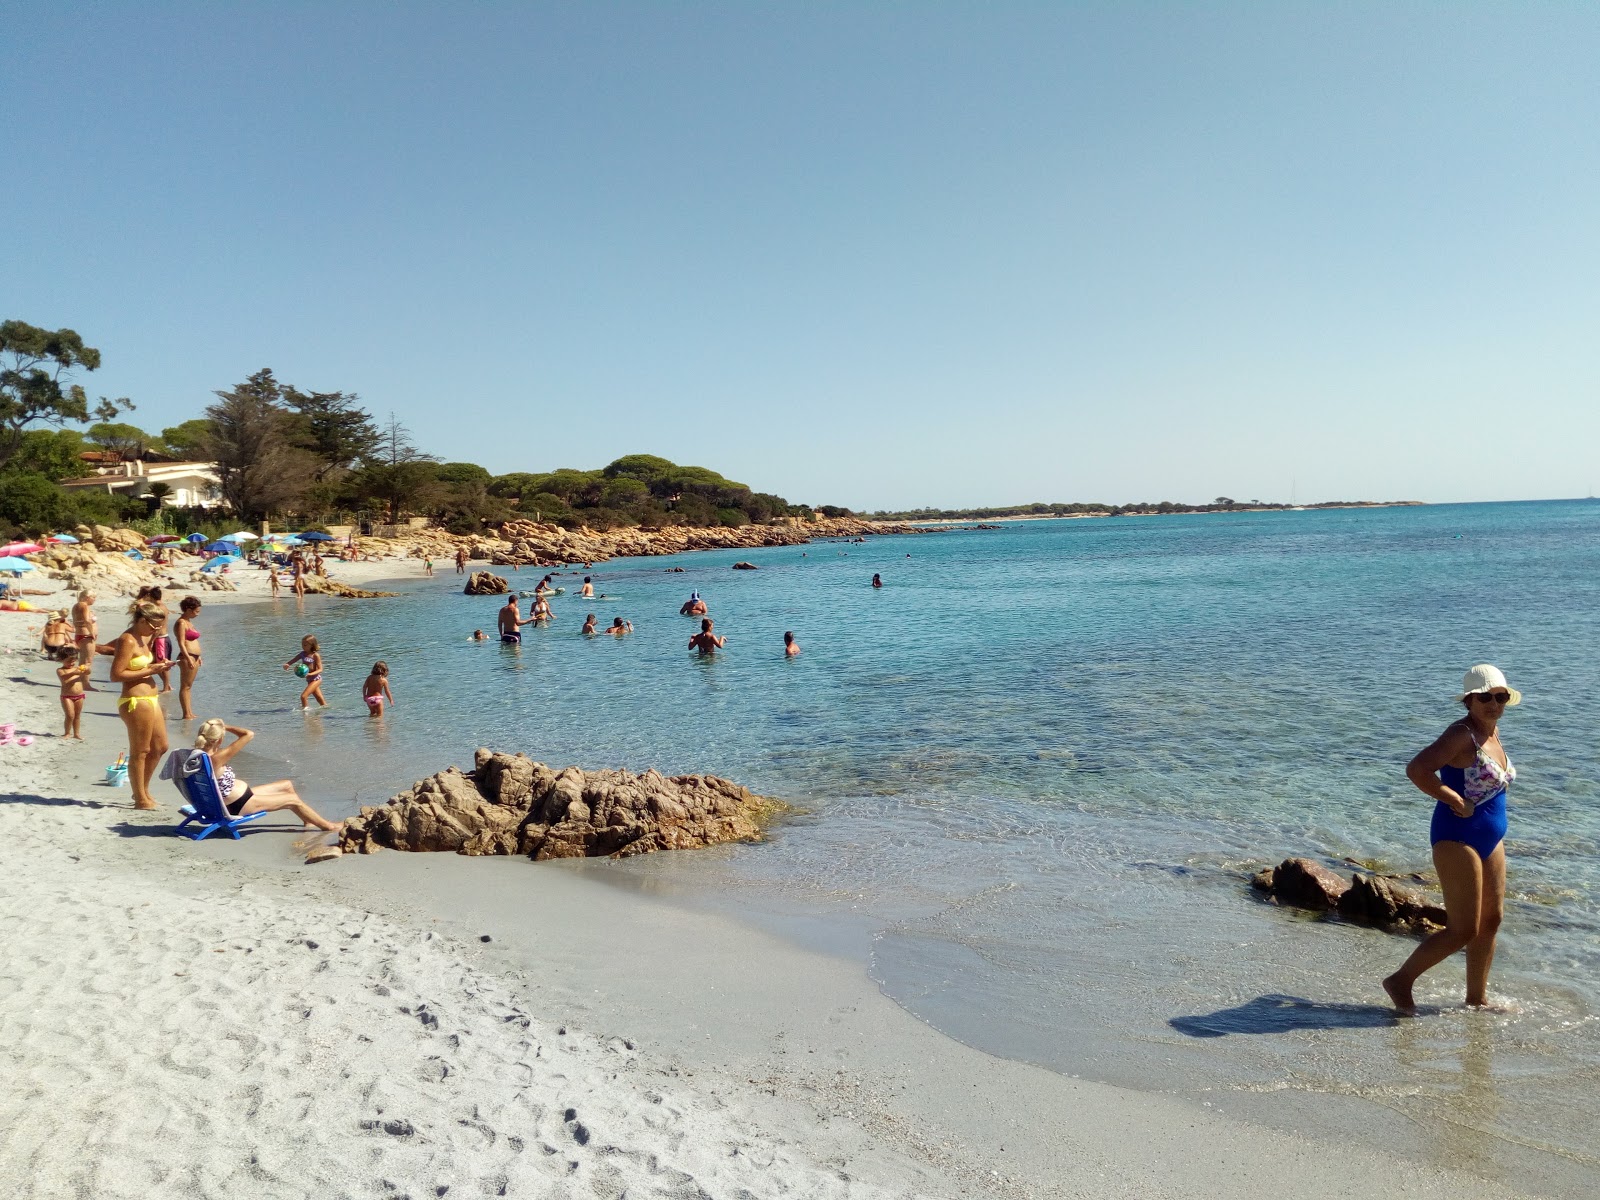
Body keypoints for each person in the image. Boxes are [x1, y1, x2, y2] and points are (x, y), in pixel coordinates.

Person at [1383, 666, 1521, 1013]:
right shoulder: (1461, 735)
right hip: (1456, 837)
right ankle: (1400, 981)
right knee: (1462, 929)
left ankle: (1476, 999)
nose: (1494, 703)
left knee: (1491, 921)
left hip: (1491, 839)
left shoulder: (1493, 732)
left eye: (1500, 696)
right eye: (1485, 697)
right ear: (1469, 701)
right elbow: (1417, 769)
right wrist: (1453, 799)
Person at [186, 720, 343, 832]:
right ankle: (329, 826)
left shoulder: (196, 755)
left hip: (226, 799)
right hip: (236, 806)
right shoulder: (217, 758)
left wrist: (217, 728)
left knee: (286, 785)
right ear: (219, 739)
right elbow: (248, 734)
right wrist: (225, 726)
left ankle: (308, 821)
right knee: (292, 801)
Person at [111, 600, 173, 809]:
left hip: (150, 698)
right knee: (141, 750)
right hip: (135, 700)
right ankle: (140, 798)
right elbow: (116, 674)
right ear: (142, 620)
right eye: (153, 626)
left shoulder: (143, 637)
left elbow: (141, 665)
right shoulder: (127, 640)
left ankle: (143, 790)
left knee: (160, 747)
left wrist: (158, 666)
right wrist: (151, 671)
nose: (156, 630)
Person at [173, 595, 204, 721]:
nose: (197, 614)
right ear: (188, 610)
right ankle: (186, 714)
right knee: (185, 686)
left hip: (194, 656)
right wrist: (188, 657)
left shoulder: (188, 622)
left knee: (189, 687)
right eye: (196, 611)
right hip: (187, 656)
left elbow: (193, 641)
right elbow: (181, 642)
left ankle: (189, 712)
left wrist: (199, 656)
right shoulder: (181, 622)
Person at [283, 635, 327, 709]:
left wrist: (310, 674)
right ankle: (324, 713)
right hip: (309, 680)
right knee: (320, 700)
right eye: (302, 645)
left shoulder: (315, 655)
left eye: (305, 645)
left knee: (303, 696)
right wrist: (288, 664)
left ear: (312, 645)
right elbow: (294, 659)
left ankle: (305, 713)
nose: (303, 646)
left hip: (316, 679)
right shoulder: (302, 654)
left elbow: (320, 669)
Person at [56, 649, 90, 739]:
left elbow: (88, 672)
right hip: (67, 696)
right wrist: (73, 673)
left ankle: (76, 733)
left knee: (77, 715)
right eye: (68, 661)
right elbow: (64, 679)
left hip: (80, 695)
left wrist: (87, 668)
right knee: (70, 715)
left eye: (73, 661)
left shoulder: (77, 669)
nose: (71, 663)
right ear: (61, 660)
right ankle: (67, 733)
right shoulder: (60, 670)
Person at [72, 590, 98, 678]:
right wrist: (92, 633)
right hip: (86, 635)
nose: (94, 599)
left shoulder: (77, 605)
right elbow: (87, 621)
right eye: (93, 597)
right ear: (87, 597)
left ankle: (80, 680)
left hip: (79, 634)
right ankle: (85, 683)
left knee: (82, 661)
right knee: (88, 662)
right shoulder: (84, 605)